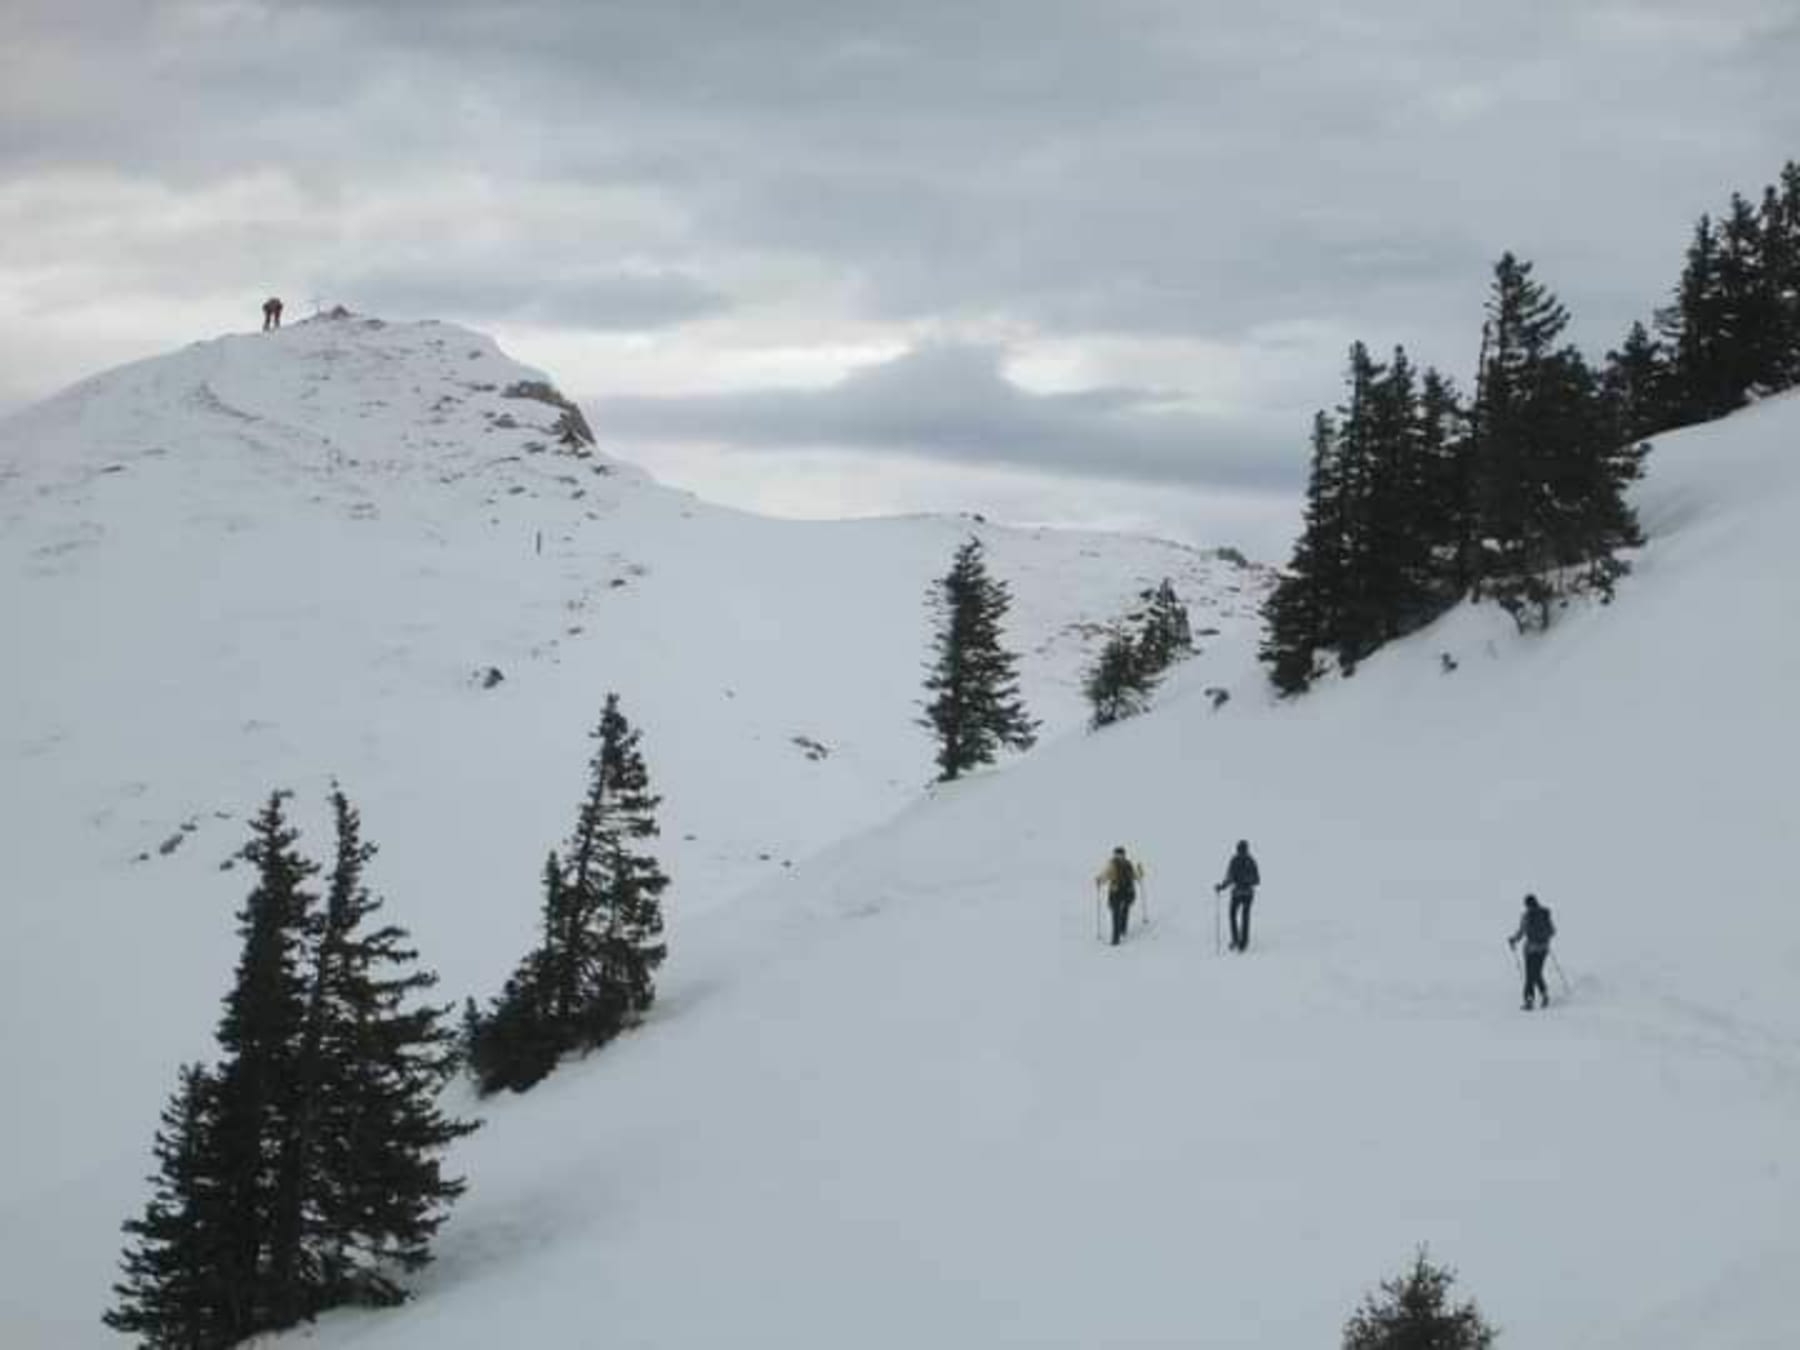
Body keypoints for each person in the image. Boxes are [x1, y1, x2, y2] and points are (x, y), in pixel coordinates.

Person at [1508, 894, 1556, 1010]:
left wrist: (1513, 940)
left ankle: (1529, 1000)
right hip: (1544, 948)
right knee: (1537, 972)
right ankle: (1544, 995)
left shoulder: (1527, 915)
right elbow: (1552, 931)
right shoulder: (1545, 914)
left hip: (1531, 949)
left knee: (1530, 975)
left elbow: (1522, 931)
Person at [1213, 840, 1260, 952]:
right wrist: (1248, 881)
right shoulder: (1250, 861)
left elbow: (1230, 878)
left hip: (1239, 893)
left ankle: (1237, 940)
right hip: (1247, 894)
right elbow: (1257, 880)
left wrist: (1221, 887)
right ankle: (1242, 942)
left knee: (1234, 915)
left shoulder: (1236, 861)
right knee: (1244, 916)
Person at [1094, 846, 1143, 946]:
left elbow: (1135, 876)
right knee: (1116, 914)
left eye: (1121, 854)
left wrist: (1140, 873)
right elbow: (1106, 875)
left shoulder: (1128, 864)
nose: (1119, 856)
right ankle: (1116, 938)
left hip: (1125, 892)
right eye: (1117, 854)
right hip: (1117, 892)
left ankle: (1122, 930)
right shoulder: (1113, 865)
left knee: (1124, 911)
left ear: (1124, 855)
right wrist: (1100, 879)